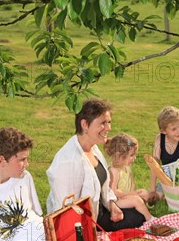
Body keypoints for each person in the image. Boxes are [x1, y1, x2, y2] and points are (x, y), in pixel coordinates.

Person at [46, 98, 146, 231]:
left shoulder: (93, 148)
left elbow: (104, 187)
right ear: (85, 124)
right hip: (85, 225)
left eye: (109, 122)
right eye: (102, 123)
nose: (108, 128)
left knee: (138, 211)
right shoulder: (69, 161)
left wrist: (112, 205)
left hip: (101, 211)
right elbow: (66, 209)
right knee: (138, 217)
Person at [104, 133, 154, 222]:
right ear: (120, 155)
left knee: (145, 193)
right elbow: (113, 191)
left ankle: (140, 210)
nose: (134, 158)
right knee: (137, 200)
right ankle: (150, 219)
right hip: (117, 201)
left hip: (127, 196)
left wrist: (134, 192)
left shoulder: (127, 168)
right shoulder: (114, 170)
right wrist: (130, 195)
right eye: (131, 155)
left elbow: (132, 184)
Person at [148, 106, 179, 201]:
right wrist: (152, 190)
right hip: (167, 178)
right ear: (163, 131)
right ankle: (165, 195)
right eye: (174, 129)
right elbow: (154, 165)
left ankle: (172, 195)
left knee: (178, 197)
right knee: (156, 197)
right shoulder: (159, 139)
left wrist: (174, 188)